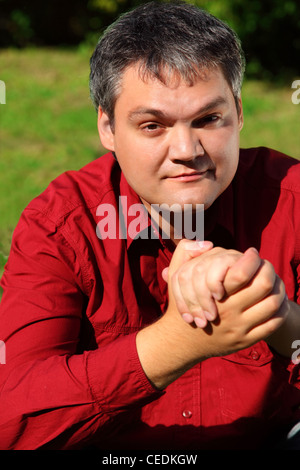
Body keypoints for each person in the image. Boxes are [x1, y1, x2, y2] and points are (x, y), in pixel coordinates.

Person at [0, 1, 299, 450]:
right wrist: (176, 342)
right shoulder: (63, 224)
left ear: (238, 113)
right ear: (107, 128)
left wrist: (275, 313)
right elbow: (13, 421)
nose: (185, 149)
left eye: (207, 119)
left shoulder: (291, 200)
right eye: (153, 125)